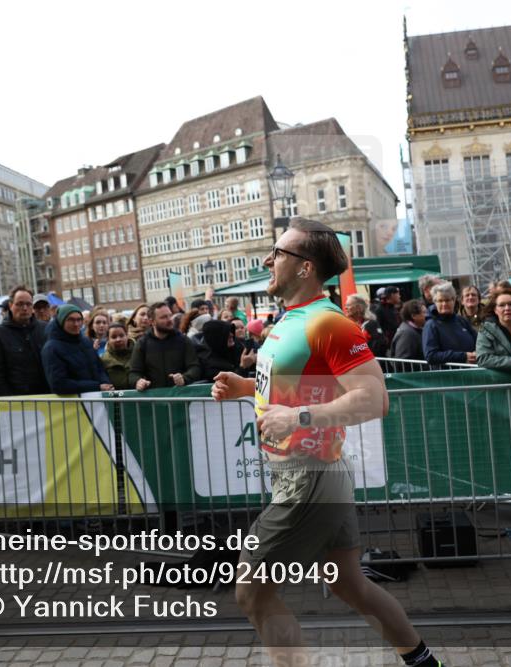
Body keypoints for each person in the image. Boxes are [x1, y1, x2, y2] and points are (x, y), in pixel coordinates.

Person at [210, 218, 444, 667]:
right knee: (347, 584)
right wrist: (245, 387)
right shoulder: (289, 320)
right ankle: (423, 662)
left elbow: (375, 400)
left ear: (305, 267)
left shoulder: (328, 323)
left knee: (251, 590)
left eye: (278, 253)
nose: (267, 260)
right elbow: (300, 389)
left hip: (309, 477)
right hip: (315, 474)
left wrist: (297, 416)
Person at [0, 285, 50, 396]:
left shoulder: (45, 329)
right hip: (16, 403)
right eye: (19, 304)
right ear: (10, 305)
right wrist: (9, 401)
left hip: (48, 399)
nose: (24, 308)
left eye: (28, 304)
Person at [129, 302, 202, 391]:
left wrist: (184, 378)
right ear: (152, 321)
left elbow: (195, 367)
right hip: (154, 398)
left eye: (170, 316)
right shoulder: (142, 343)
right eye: (163, 317)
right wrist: (138, 381)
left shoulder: (183, 340)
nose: (169, 320)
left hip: (180, 396)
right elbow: (134, 373)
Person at [42, 305, 113, 394]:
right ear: (61, 321)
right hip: (73, 404)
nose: (76, 324)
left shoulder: (86, 342)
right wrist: (96, 386)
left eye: (79, 320)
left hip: (96, 400)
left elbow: (99, 368)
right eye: (71, 320)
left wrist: (105, 383)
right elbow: (59, 384)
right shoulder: (51, 348)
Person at [422, 282, 477, 366]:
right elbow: (431, 356)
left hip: (470, 372)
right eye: (440, 301)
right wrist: (463, 356)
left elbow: (478, 341)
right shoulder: (431, 325)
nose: (444, 304)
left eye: (447, 300)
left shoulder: (461, 320)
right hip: (448, 376)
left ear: (454, 300)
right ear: (435, 303)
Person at [101, 322, 134, 390]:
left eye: (122, 336)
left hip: (139, 398)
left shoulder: (138, 354)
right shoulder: (103, 360)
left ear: (127, 336)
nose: (118, 339)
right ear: (108, 339)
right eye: (113, 337)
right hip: (115, 399)